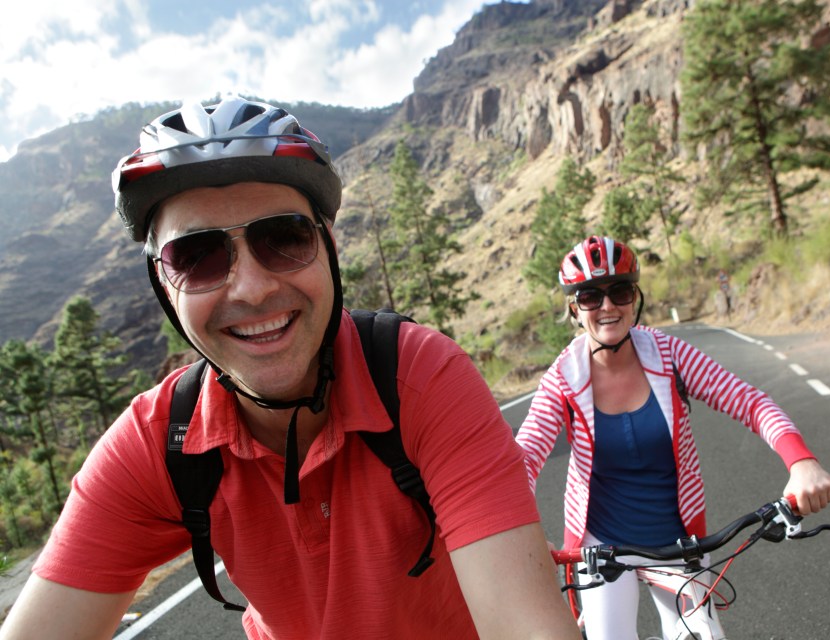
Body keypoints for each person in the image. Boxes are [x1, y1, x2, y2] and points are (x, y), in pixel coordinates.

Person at [0, 98, 580, 640]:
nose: (251, 288)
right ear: (162, 284)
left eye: (283, 237)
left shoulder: (421, 378)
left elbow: (526, 628)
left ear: (328, 247)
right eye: (196, 256)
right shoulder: (158, 443)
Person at [515, 235, 830, 640]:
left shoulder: (669, 355)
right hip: (602, 549)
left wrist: (802, 462)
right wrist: (521, 536)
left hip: (679, 543)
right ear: (574, 309)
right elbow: (524, 458)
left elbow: (748, 402)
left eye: (619, 291)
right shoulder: (563, 380)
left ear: (636, 297)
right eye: (590, 297)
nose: (608, 306)